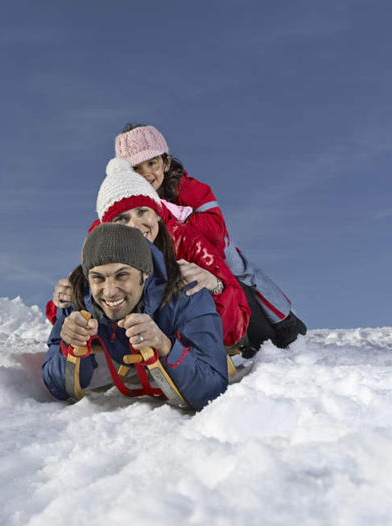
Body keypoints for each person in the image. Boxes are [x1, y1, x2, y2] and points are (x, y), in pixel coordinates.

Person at [114, 123, 307, 354]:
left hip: (213, 249)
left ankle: (284, 321)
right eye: (136, 168)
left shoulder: (190, 189)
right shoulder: (129, 202)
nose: (146, 173)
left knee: (242, 273)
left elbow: (216, 230)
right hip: (176, 257)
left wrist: (174, 214)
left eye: (152, 163)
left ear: (165, 162)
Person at [50, 157, 250, 348]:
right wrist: (64, 300)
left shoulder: (187, 241)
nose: (134, 226)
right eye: (121, 219)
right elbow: (70, 314)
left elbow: (236, 326)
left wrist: (216, 287)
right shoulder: (102, 250)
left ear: (158, 214)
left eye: (142, 212)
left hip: (192, 351)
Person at [42, 223, 228, 410]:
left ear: (145, 273)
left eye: (122, 275)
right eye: (98, 278)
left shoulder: (187, 294)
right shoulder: (77, 297)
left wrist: (165, 346)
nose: (110, 291)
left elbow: (213, 391)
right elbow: (57, 388)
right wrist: (68, 347)